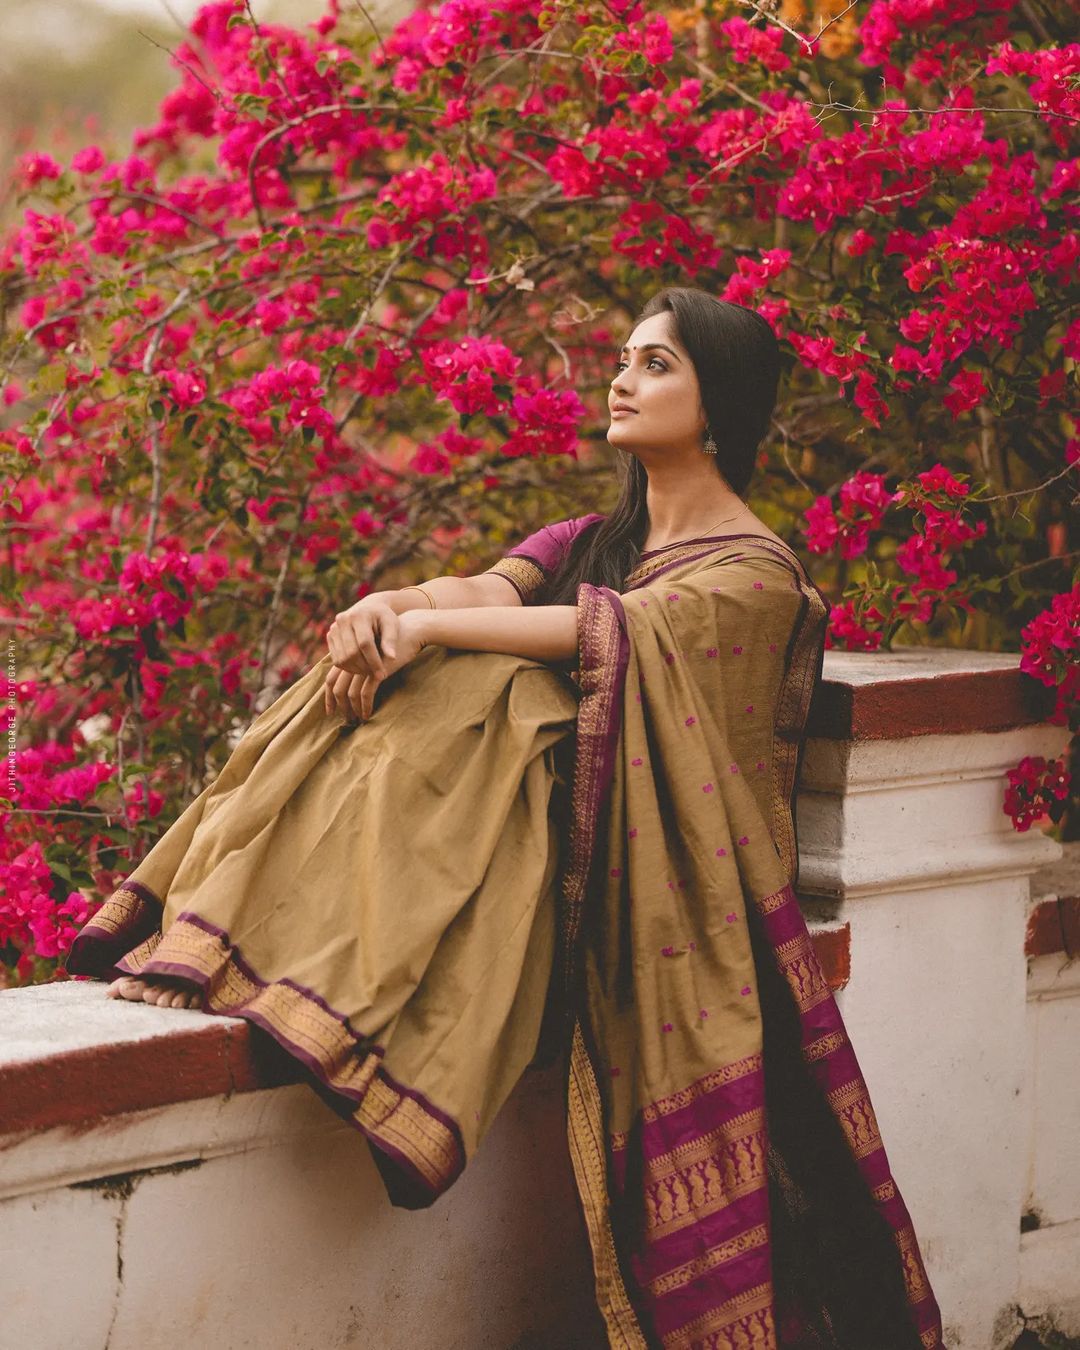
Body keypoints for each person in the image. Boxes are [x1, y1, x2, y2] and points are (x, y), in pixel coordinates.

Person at [67, 286, 945, 1348]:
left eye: (655, 365)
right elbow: (486, 587)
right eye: (622, 358)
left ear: (721, 406)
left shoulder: (754, 577)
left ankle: (315, 964)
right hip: (521, 847)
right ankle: (254, 939)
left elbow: (608, 637)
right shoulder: (593, 536)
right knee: (397, 667)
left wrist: (442, 638)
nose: (621, 378)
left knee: (495, 693)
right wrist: (391, 612)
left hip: (638, 887)